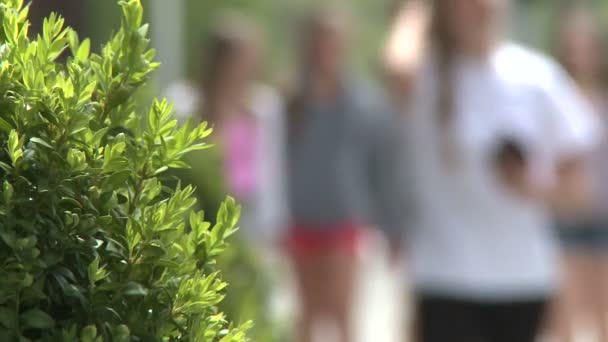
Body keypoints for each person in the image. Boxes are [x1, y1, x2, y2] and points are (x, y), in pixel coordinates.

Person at [384, 1, 599, 341]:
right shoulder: (428, 76)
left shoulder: (536, 78)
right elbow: (395, 63)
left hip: (521, 278)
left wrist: (532, 188)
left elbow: (579, 191)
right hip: (445, 275)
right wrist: (422, 9)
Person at [285, 7, 409, 342]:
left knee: (342, 314)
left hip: (346, 220)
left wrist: (393, 225)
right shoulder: (291, 100)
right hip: (300, 219)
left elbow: (383, 167)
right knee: (306, 316)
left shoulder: (364, 102)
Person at [199, 13, 287, 246]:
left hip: (251, 215)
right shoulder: (189, 104)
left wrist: (275, 223)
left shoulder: (264, 106)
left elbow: (272, 167)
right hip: (206, 210)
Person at [551, 6, 608, 342]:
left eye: (585, 47)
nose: (579, 55)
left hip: (603, 216)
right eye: (573, 47)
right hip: (563, 217)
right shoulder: (552, 98)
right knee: (566, 316)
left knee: (603, 312)